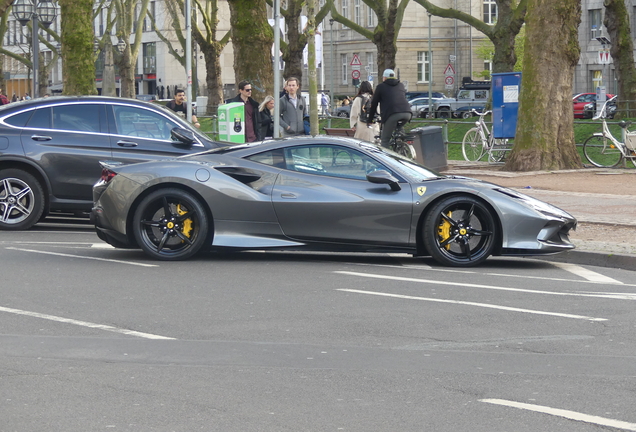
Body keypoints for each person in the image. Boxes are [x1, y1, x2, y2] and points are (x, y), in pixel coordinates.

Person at [367, 69, 412, 149]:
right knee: (399, 130)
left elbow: (374, 104)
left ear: (384, 77)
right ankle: (402, 146)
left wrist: (370, 119)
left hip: (392, 114)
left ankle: (386, 159)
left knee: (385, 140)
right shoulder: (400, 85)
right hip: (407, 113)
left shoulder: (380, 87)